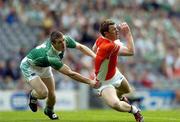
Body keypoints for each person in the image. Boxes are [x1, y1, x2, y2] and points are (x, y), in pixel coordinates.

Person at [20, 30, 100, 120]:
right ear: (53, 44)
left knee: (52, 95)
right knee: (43, 93)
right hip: (30, 66)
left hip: (44, 66)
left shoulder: (65, 40)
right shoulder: (50, 56)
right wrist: (90, 82)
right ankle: (33, 95)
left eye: (63, 41)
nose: (63, 44)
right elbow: (70, 73)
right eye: (59, 42)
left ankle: (49, 111)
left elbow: (81, 47)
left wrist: (95, 57)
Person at [92, 19, 144, 122]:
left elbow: (94, 49)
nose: (117, 31)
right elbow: (131, 51)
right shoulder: (109, 46)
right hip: (104, 82)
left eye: (116, 28)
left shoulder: (101, 39)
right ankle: (135, 111)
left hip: (115, 73)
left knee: (127, 91)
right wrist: (128, 33)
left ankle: (120, 97)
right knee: (115, 104)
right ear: (106, 34)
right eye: (114, 30)